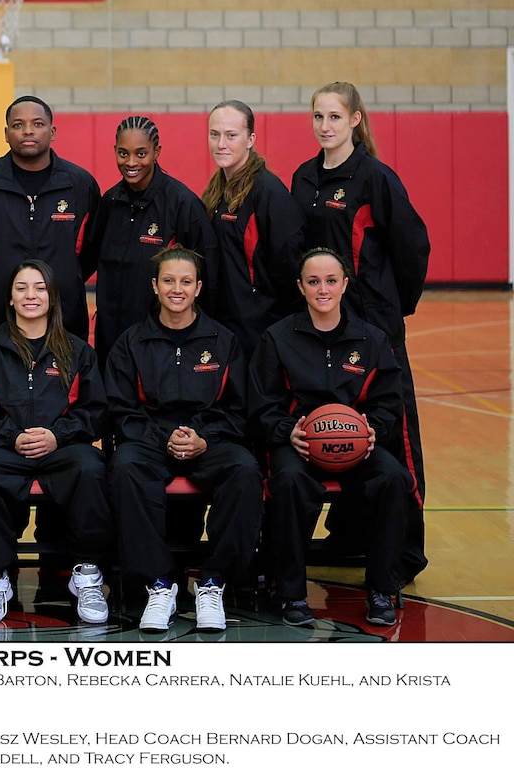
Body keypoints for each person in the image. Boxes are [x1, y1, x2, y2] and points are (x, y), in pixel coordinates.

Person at [290, 82, 429, 582]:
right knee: (336, 428)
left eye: (333, 116)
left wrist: (394, 307)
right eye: (317, 116)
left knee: (393, 438)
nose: (324, 125)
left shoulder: (376, 178)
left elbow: (412, 247)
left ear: (354, 120)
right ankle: (348, 535)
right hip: (324, 331)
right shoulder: (303, 179)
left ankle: (407, 550)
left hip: (374, 331)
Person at [249, 248, 411, 627]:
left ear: (344, 285)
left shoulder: (371, 339)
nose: (323, 289)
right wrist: (288, 432)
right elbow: (261, 404)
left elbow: (390, 401)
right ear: (301, 287)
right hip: (301, 445)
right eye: (314, 281)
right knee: (287, 481)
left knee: (391, 477)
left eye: (330, 281)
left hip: (356, 445)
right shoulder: (277, 338)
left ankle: (381, 588)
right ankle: (289, 592)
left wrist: (374, 431)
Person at [106, 246, 262, 632]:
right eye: (169, 280)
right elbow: (119, 409)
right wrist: (163, 439)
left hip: (209, 440)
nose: (177, 289)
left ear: (198, 288)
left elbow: (239, 409)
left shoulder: (223, 341)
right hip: (150, 440)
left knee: (245, 470)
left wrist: (204, 438)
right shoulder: (131, 342)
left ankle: (213, 582)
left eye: (186, 282)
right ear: (155, 286)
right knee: (124, 467)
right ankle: (160, 585)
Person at [0, 259, 112, 626]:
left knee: (91, 468)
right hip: (6, 447)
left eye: (40, 288)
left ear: (52, 297)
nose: (31, 295)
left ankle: (87, 574)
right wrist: (12, 438)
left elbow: (95, 410)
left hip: (62, 448)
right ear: (10, 299)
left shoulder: (78, 351)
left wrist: (56, 435)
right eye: (22, 288)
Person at [0, 96, 101, 349]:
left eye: (38, 124)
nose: (28, 130)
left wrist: (66, 279)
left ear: (52, 132)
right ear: (6, 133)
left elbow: (91, 250)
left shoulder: (80, 185)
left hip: (64, 321)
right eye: (18, 125)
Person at [87, 115, 217, 367]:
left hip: (161, 341)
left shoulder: (182, 204)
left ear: (156, 151)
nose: (131, 162)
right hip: (110, 338)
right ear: (114, 151)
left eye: (141, 153)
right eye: (123, 154)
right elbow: (89, 259)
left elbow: (207, 273)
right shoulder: (109, 202)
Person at [201, 100, 305, 357]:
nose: (221, 143)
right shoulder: (216, 190)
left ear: (250, 139)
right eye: (215, 134)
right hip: (223, 322)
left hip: (259, 329)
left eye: (231, 135)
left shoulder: (269, 193)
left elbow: (290, 265)